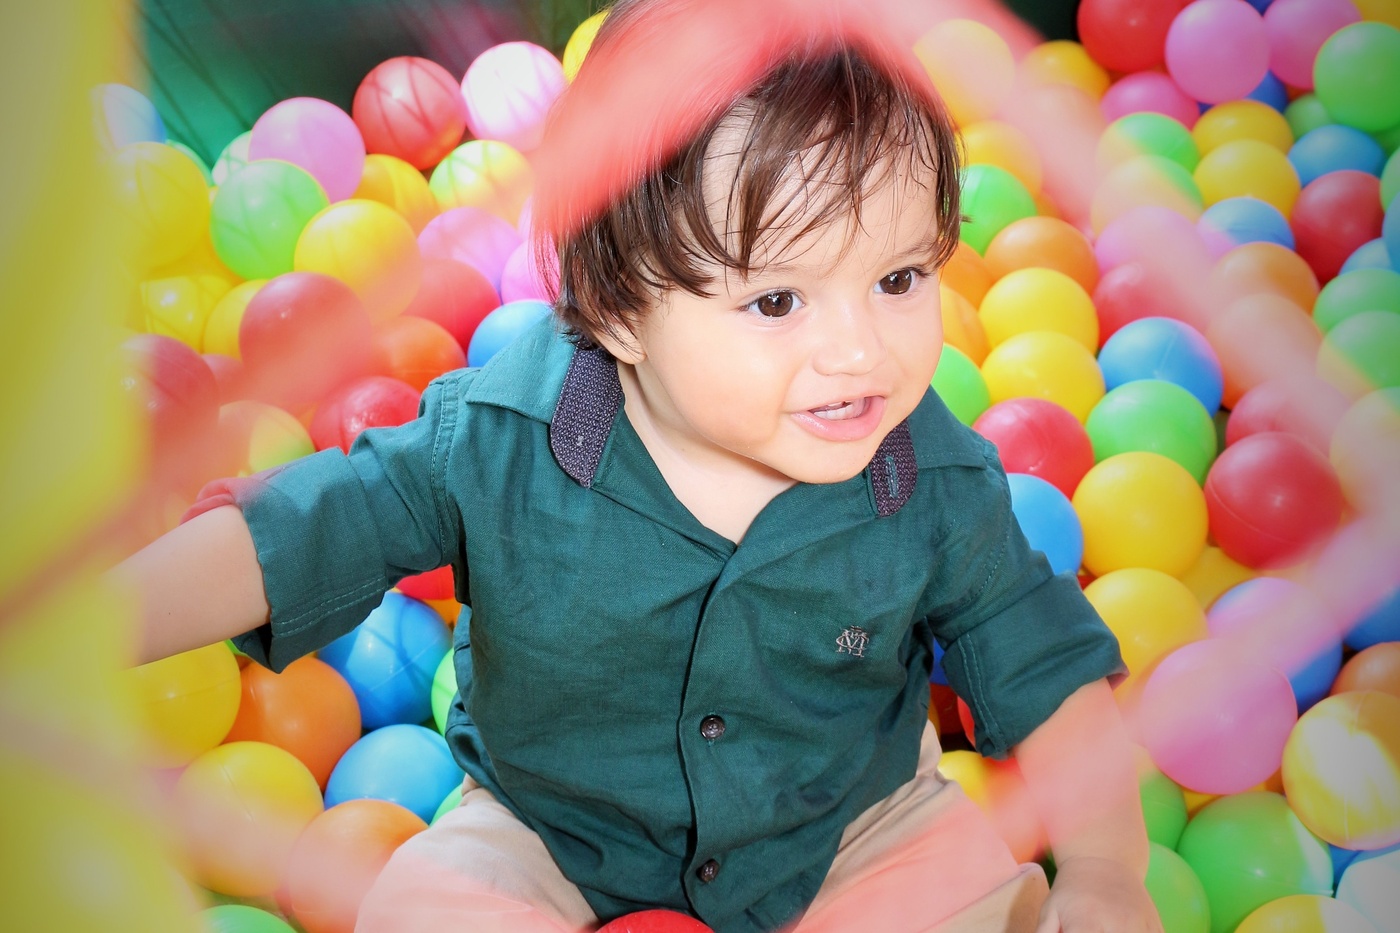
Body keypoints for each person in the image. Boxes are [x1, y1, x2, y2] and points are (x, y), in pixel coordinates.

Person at [116, 1, 1160, 930]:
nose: (860, 352)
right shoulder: (503, 435)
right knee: (420, 910)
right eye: (776, 301)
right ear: (616, 310)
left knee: (986, 901)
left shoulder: (928, 477)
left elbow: (1046, 670)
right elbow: (306, 529)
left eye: (897, 278)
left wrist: (1108, 870)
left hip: (851, 825)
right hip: (547, 830)